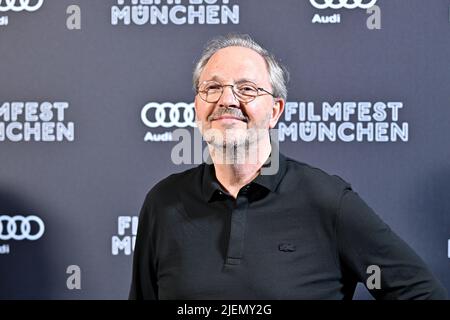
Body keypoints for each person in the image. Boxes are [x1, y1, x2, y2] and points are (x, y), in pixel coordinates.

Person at [129, 34, 447, 300]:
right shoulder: (163, 203)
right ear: (198, 106)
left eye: (247, 89)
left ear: (275, 110)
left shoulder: (327, 200)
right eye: (212, 88)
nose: (227, 100)